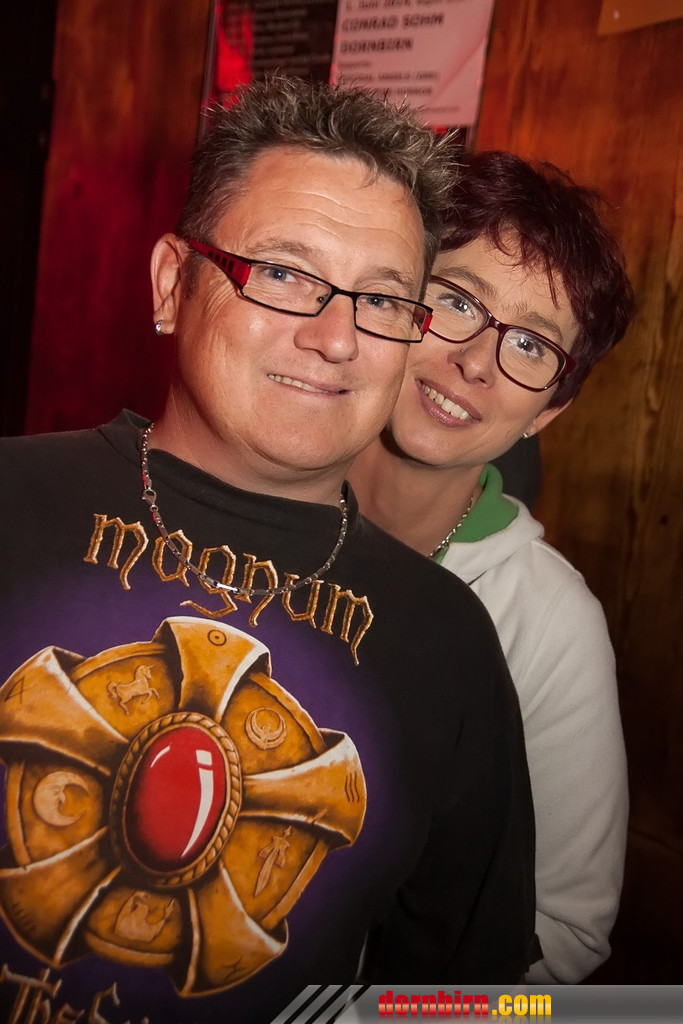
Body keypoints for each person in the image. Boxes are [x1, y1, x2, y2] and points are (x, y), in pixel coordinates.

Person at [0, 82, 536, 1023]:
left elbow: (466, 993)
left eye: (382, 298)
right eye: (284, 273)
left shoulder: (447, 644)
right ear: (172, 284)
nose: (335, 338)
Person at [351, 150, 634, 984]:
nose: (477, 362)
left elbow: (565, 933)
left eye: (532, 345)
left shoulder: (547, 619)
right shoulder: (243, 509)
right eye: (456, 301)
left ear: (549, 410)